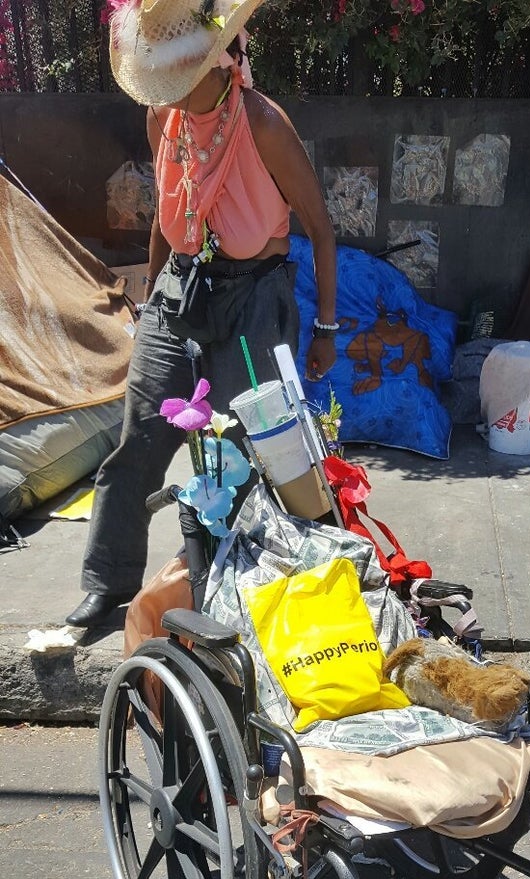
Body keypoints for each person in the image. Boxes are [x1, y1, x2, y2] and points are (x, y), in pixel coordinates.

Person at [67, 0, 337, 627]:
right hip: (179, 292)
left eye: (183, 76)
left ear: (218, 63)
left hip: (252, 298)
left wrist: (326, 326)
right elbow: (167, 219)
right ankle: (106, 584)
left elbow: (320, 227)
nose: (173, 91)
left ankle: (250, 588)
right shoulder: (164, 119)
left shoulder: (264, 123)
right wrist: (151, 300)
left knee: (249, 450)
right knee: (140, 440)